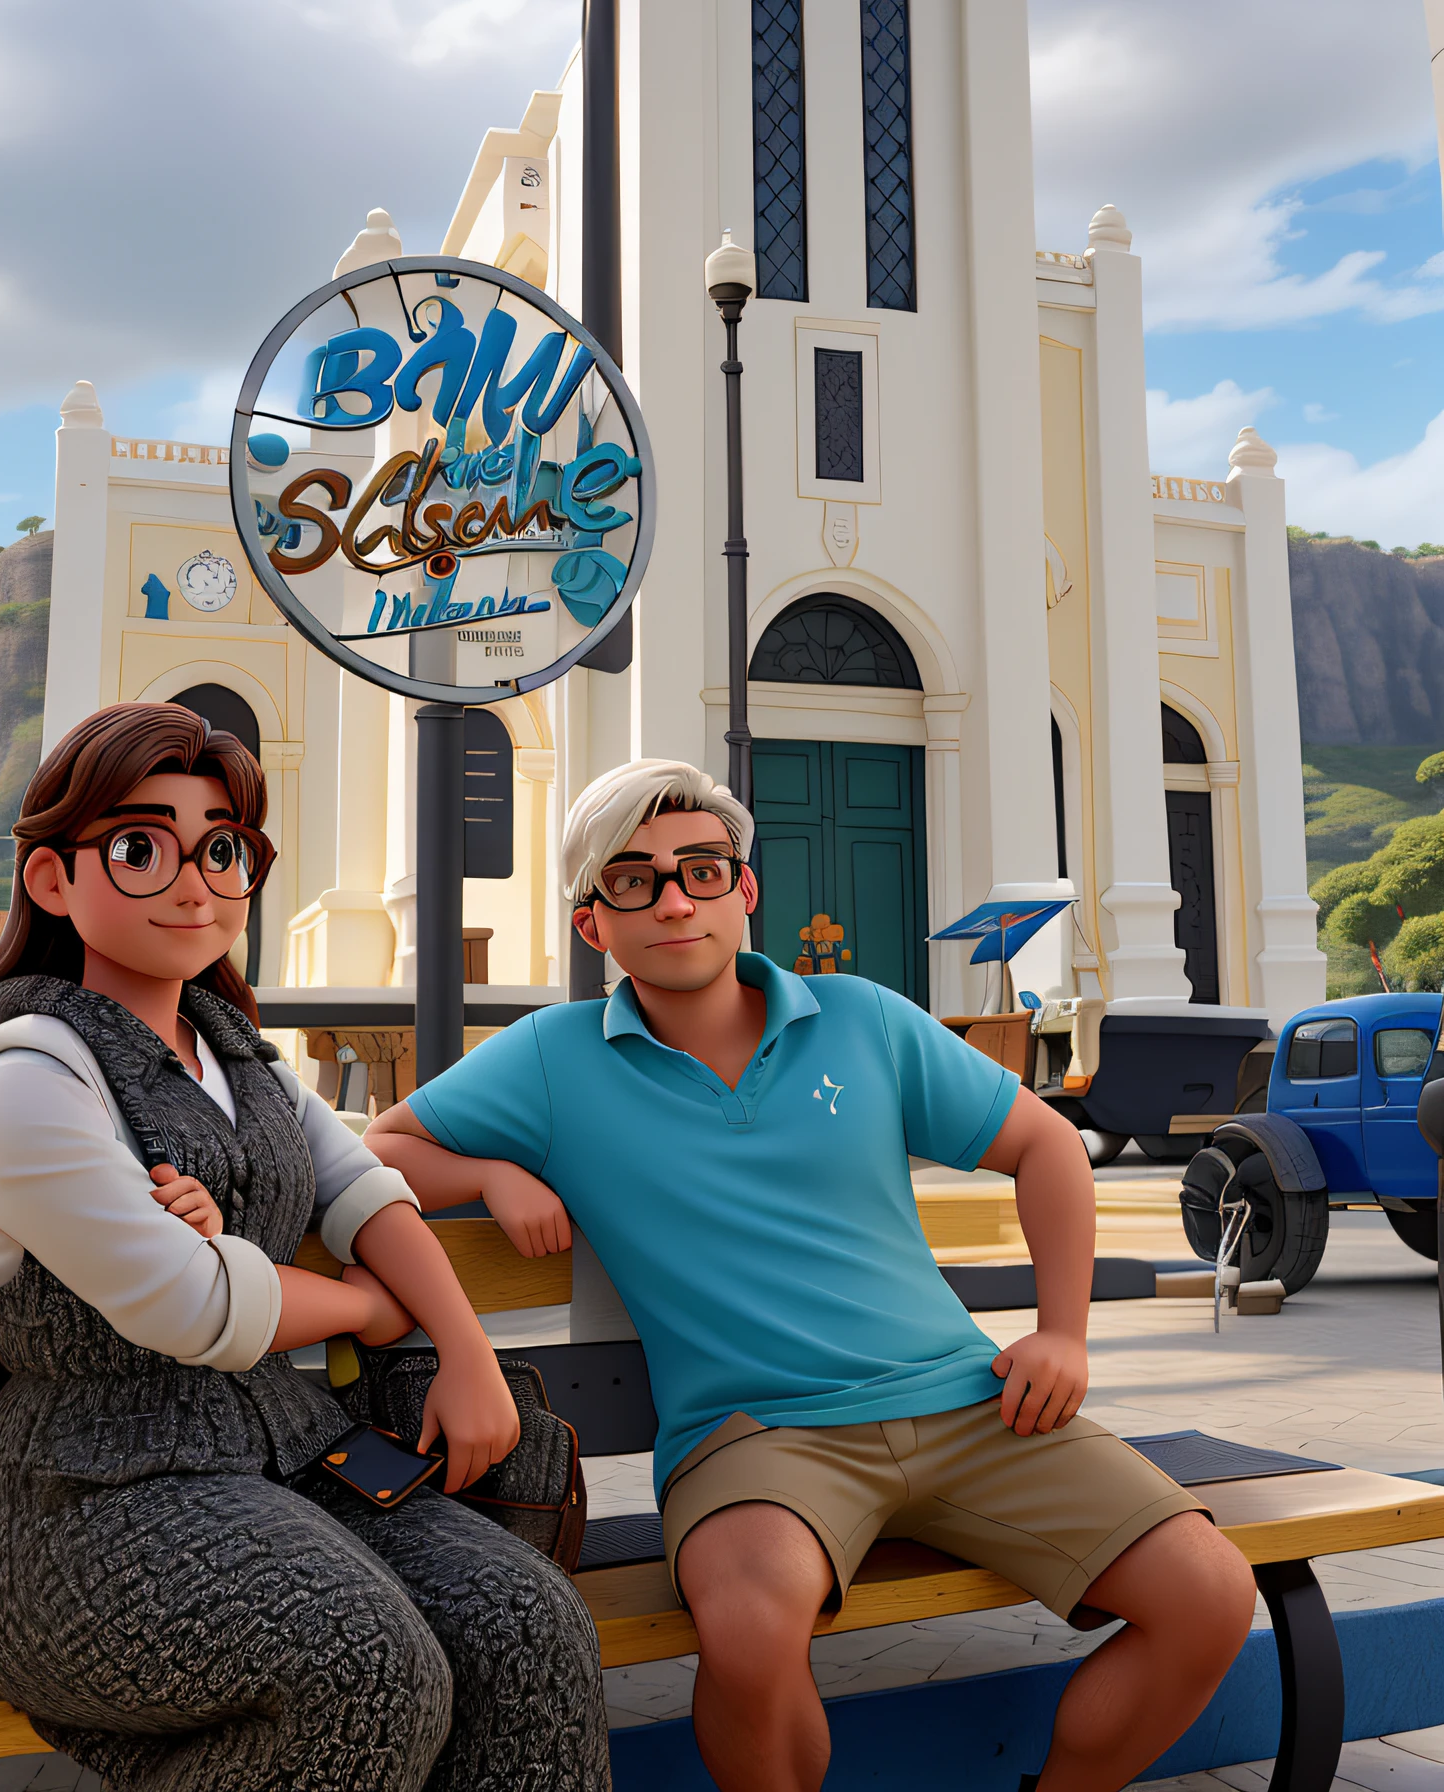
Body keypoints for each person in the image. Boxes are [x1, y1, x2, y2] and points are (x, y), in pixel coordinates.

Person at [367, 758, 1257, 1792]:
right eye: (633, 878)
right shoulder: (554, 1058)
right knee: (748, 1632)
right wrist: (489, 1169)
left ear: (745, 890)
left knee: (1208, 1592)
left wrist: (1064, 1332)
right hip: (756, 1435)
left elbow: (1047, 1146)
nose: (673, 898)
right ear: (591, 923)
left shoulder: (861, 1018)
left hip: (974, 1405)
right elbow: (378, 1147)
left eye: (700, 868)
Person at [0, 702, 609, 1792]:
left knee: (523, 1621)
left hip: (288, 1453)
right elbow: (190, 1302)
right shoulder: (27, 1079)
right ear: (50, 880)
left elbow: (370, 1188)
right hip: (89, 1503)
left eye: (221, 849)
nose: (195, 882)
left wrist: (458, 1342)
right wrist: (365, 1308)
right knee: (361, 1665)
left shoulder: (247, 1062)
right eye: (141, 848)